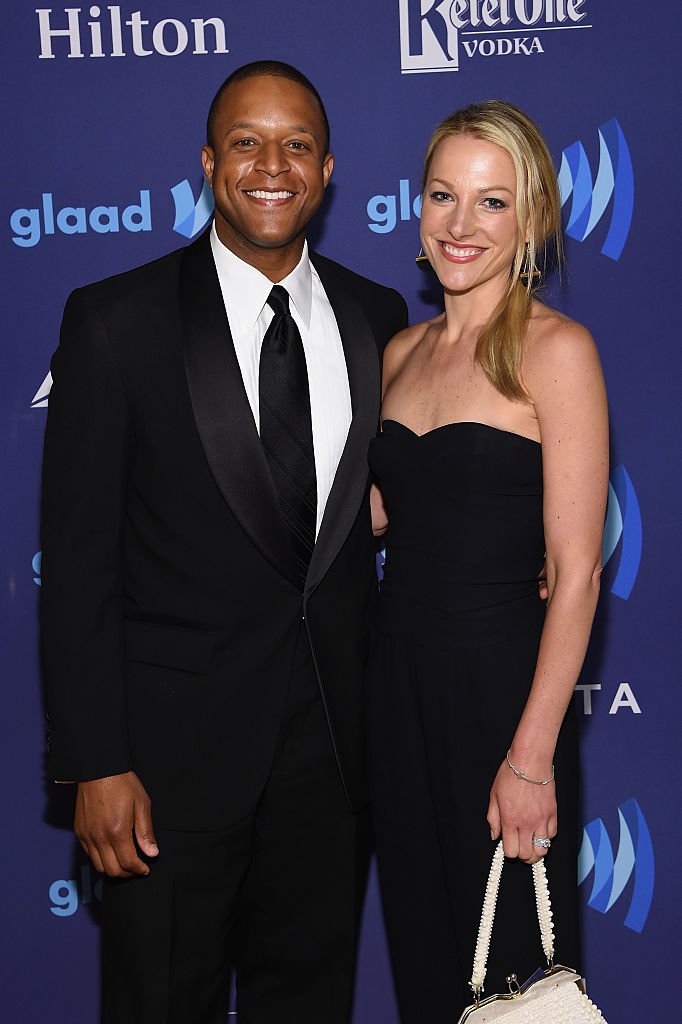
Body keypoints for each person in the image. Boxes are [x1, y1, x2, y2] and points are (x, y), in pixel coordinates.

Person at [41, 60, 407, 1024]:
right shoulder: (116, 321)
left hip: (332, 764)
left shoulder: (379, 319)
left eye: (296, 145)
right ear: (209, 162)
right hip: (164, 771)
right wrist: (95, 762)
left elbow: (389, 507)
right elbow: (77, 565)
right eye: (247, 141)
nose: (271, 164)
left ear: (328, 170)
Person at [366, 100, 608, 1021]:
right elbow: (381, 517)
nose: (460, 225)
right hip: (395, 692)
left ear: (533, 219)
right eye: (442, 195)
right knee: (430, 967)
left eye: (492, 202)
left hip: (502, 700)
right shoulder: (400, 350)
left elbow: (577, 571)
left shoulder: (557, 352)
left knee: (515, 981)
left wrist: (533, 756)